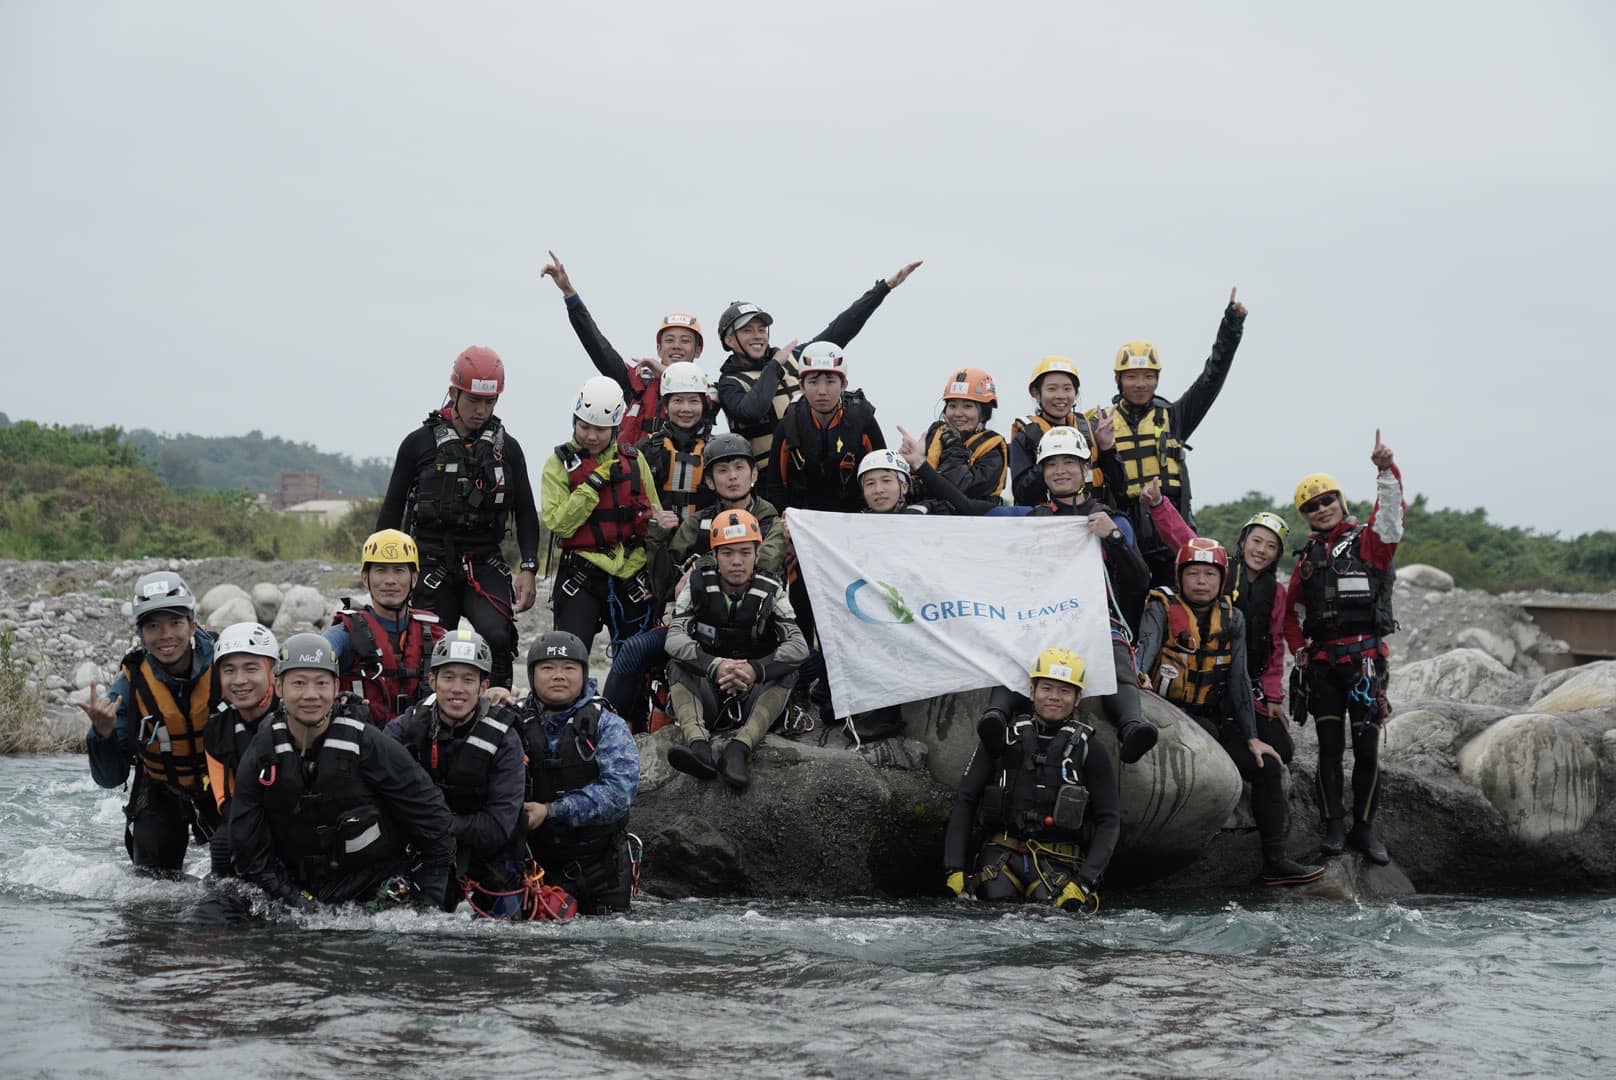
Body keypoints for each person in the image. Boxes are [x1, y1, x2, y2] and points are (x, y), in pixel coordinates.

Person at [1136, 539, 1324, 885]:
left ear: (1222, 580)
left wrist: (1252, 737)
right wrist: (1140, 677)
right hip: (1169, 716)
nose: (1202, 581)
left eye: (1210, 574)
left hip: (1211, 718)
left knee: (1267, 765)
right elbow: (1143, 656)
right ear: (1181, 577)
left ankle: (1276, 861)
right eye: (1193, 573)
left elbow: (1238, 680)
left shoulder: (1232, 616)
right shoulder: (1161, 607)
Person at [228, 634, 455, 909]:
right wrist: (298, 903)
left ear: (336, 687)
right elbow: (249, 855)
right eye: (298, 683)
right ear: (278, 686)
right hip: (294, 887)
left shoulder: (367, 743)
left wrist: (431, 901)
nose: (310, 695)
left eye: (321, 683)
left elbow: (434, 818)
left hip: (368, 885)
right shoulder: (262, 752)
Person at [376, 346, 541, 689]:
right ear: (454, 392)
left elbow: (526, 511)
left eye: (490, 402)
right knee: (431, 644)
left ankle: (499, 716)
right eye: (473, 401)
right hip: (430, 561)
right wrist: (383, 568)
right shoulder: (418, 444)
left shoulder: (508, 449)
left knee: (497, 635)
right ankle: (424, 716)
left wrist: (528, 568)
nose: (481, 411)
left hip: (483, 562)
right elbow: (392, 510)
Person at [603, 432, 788, 730]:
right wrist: (656, 536)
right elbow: (666, 585)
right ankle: (609, 728)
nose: (732, 477)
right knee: (634, 650)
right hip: (698, 627)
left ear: (753, 474)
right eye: (722, 470)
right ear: (710, 481)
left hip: (756, 631)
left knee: (811, 660)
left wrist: (702, 565)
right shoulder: (695, 524)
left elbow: (763, 565)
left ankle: (799, 710)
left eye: (739, 468)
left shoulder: (774, 523)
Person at [1286, 431, 1405, 865]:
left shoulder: (1371, 542)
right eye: (1312, 506)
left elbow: (1391, 517)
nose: (1321, 509)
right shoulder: (1306, 559)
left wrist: (1385, 472)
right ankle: (1334, 825)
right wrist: (1300, 652)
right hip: (1324, 668)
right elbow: (1290, 613)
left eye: (1326, 501)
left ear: (1340, 500)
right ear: (1305, 516)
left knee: (1368, 750)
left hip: (1367, 666)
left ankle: (1365, 829)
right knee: (1329, 748)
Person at [1015, 426, 1159, 763]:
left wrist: (1114, 539)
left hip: (1097, 618)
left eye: (1069, 462)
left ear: (1084, 469)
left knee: (1115, 651)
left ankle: (1131, 726)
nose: (1060, 471)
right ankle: (996, 714)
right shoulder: (1033, 519)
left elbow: (1140, 581)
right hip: (1046, 617)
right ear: (1042, 472)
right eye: (1051, 464)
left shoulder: (1113, 520)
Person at [1089, 289, 1248, 584]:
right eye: (1132, 376)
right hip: (1124, 528)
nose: (1141, 384)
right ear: (1118, 379)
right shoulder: (1099, 423)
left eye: (1149, 376)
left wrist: (1231, 326)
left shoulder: (1175, 418)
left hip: (1169, 527)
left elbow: (1211, 378)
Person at [943, 648, 1120, 912]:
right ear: (1031, 692)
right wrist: (954, 867)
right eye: (1047, 688)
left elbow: (1109, 820)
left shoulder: (1090, 750)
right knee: (991, 909)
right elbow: (966, 800)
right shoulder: (1001, 738)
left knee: (1053, 915)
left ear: (1078, 698)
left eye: (1064, 691)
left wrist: (1084, 882)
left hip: (1058, 862)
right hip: (1000, 858)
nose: (1054, 698)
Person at [715, 259, 922, 468]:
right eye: (747, 331)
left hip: (815, 468)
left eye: (761, 329)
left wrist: (883, 289)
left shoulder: (795, 358)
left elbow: (842, 329)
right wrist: (774, 367)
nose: (757, 336)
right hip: (769, 480)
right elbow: (751, 412)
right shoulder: (729, 384)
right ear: (729, 340)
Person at [79, 571, 218, 875]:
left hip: (223, 788)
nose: (165, 635)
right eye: (153, 626)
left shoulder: (226, 666)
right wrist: (102, 734)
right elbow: (109, 779)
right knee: (153, 884)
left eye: (175, 623)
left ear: (192, 625)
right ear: (141, 635)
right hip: (162, 789)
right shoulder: (130, 685)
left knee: (240, 877)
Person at [664, 509, 809, 789]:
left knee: (790, 671)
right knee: (675, 663)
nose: (737, 562)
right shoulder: (696, 587)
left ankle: (739, 749)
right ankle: (698, 746)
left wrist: (755, 669)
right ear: (715, 556)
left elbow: (798, 646)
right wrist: (714, 665)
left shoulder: (772, 590)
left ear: (757, 554)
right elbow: (674, 638)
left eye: (745, 552)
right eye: (727, 553)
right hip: (709, 685)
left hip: (751, 690)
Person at [384, 629, 526, 915]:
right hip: (419, 853)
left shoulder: (505, 738)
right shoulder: (405, 728)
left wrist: (437, 824)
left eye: (468, 679)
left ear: (483, 686)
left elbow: (499, 825)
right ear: (432, 681)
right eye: (448, 678)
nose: (457, 689)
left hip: (486, 859)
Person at [517, 631, 641, 914]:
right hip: (534, 865)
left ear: (584, 675)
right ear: (532, 676)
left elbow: (619, 794)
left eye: (569, 668)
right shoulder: (513, 720)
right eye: (547, 668)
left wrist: (551, 811)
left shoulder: (608, 725)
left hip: (601, 868)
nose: (558, 676)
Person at [541, 375, 664, 655]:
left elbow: (653, 515)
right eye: (585, 426)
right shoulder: (557, 464)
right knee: (569, 655)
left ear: (615, 427)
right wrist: (594, 483)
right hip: (581, 574)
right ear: (574, 421)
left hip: (632, 573)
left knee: (636, 661)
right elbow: (559, 524)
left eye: (601, 429)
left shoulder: (634, 460)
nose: (592, 436)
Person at [540, 249, 709, 446]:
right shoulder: (637, 381)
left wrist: (667, 375)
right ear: (658, 348)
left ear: (698, 350)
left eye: (685, 341)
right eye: (670, 340)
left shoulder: (707, 392)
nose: (676, 346)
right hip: (637, 473)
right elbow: (598, 348)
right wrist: (569, 293)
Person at [324, 529, 445, 727]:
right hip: (363, 742)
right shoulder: (344, 633)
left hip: (420, 739)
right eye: (380, 570)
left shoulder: (434, 633)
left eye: (399, 571)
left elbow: (470, 676)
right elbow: (311, 659)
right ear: (365, 578)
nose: (390, 580)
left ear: (414, 578)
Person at [765, 341, 886, 513]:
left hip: (856, 518)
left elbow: (883, 475)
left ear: (843, 384)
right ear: (801, 386)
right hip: (804, 521)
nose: (822, 391)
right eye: (813, 382)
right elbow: (776, 484)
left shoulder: (862, 420)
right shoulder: (790, 424)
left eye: (830, 382)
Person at [202, 621, 280, 880]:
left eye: (251, 668)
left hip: (304, 820)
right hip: (254, 818)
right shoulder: (217, 730)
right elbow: (226, 800)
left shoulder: (297, 714)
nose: (239, 681)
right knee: (223, 843)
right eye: (229, 670)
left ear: (272, 673)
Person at [1009, 356, 1125, 507]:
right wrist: (1048, 458)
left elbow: (1120, 488)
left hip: (1090, 519)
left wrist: (1107, 448)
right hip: (1045, 520)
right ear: (1036, 393)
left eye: (1067, 388)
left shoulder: (1091, 431)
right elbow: (1023, 494)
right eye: (1052, 389)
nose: (1061, 396)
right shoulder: (1025, 438)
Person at [1228, 511, 1294, 729]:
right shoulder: (1219, 572)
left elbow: (1275, 647)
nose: (1261, 550)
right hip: (1212, 676)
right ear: (1243, 541)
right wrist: (1159, 506)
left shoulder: (1276, 592)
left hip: (1250, 683)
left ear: (1277, 555)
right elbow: (1183, 537)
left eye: (1271, 546)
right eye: (1256, 541)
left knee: (1282, 748)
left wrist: (1273, 696)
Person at [917, 367, 1008, 502]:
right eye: (952, 406)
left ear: (984, 413)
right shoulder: (934, 434)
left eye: (967, 406)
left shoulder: (993, 450)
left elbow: (962, 490)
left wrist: (954, 447)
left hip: (970, 520)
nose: (958, 413)